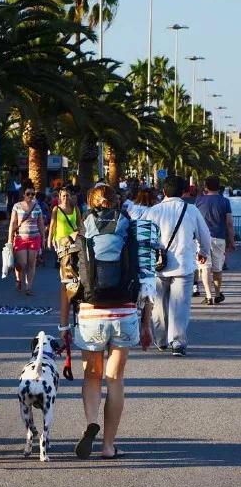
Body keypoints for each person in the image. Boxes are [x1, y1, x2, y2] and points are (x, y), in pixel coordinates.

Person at [59, 184, 154, 459]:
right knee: (115, 379)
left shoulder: (77, 235)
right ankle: (108, 445)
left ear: (89, 204)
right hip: (124, 314)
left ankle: (91, 424)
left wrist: (64, 326)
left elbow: (66, 284)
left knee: (91, 376)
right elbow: (147, 283)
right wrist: (146, 325)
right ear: (117, 202)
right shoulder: (134, 231)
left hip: (90, 314)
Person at [143, 176, 211, 356]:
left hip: (157, 267)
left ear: (163, 191)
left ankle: (161, 340)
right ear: (183, 192)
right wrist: (203, 252)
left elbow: (142, 237)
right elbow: (205, 235)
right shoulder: (192, 210)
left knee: (158, 303)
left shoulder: (153, 211)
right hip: (184, 265)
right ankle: (177, 342)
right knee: (180, 305)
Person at [196, 176, 236, 305]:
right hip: (219, 239)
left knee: (205, 268)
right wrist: (232, 240)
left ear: (206, 187)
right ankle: (218, 294)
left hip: (202, 239)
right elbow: (229, 223)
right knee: (217, 269)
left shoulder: (199, 201)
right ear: (219, 187)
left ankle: (208, 297)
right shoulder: (225, 201)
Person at [8, 180, 45, 295]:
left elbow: (41, 224)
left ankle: (28, 287)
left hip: (35, 237)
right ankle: (18, 278)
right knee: (22, 263)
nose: (30, 196)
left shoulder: (37, 207)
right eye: (28, 194)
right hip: (20, 238)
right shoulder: (17, 206)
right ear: (23, 194)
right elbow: (13, 223)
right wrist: (9, 239)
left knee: (31, 263)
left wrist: (43, 238)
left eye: (32, 194)